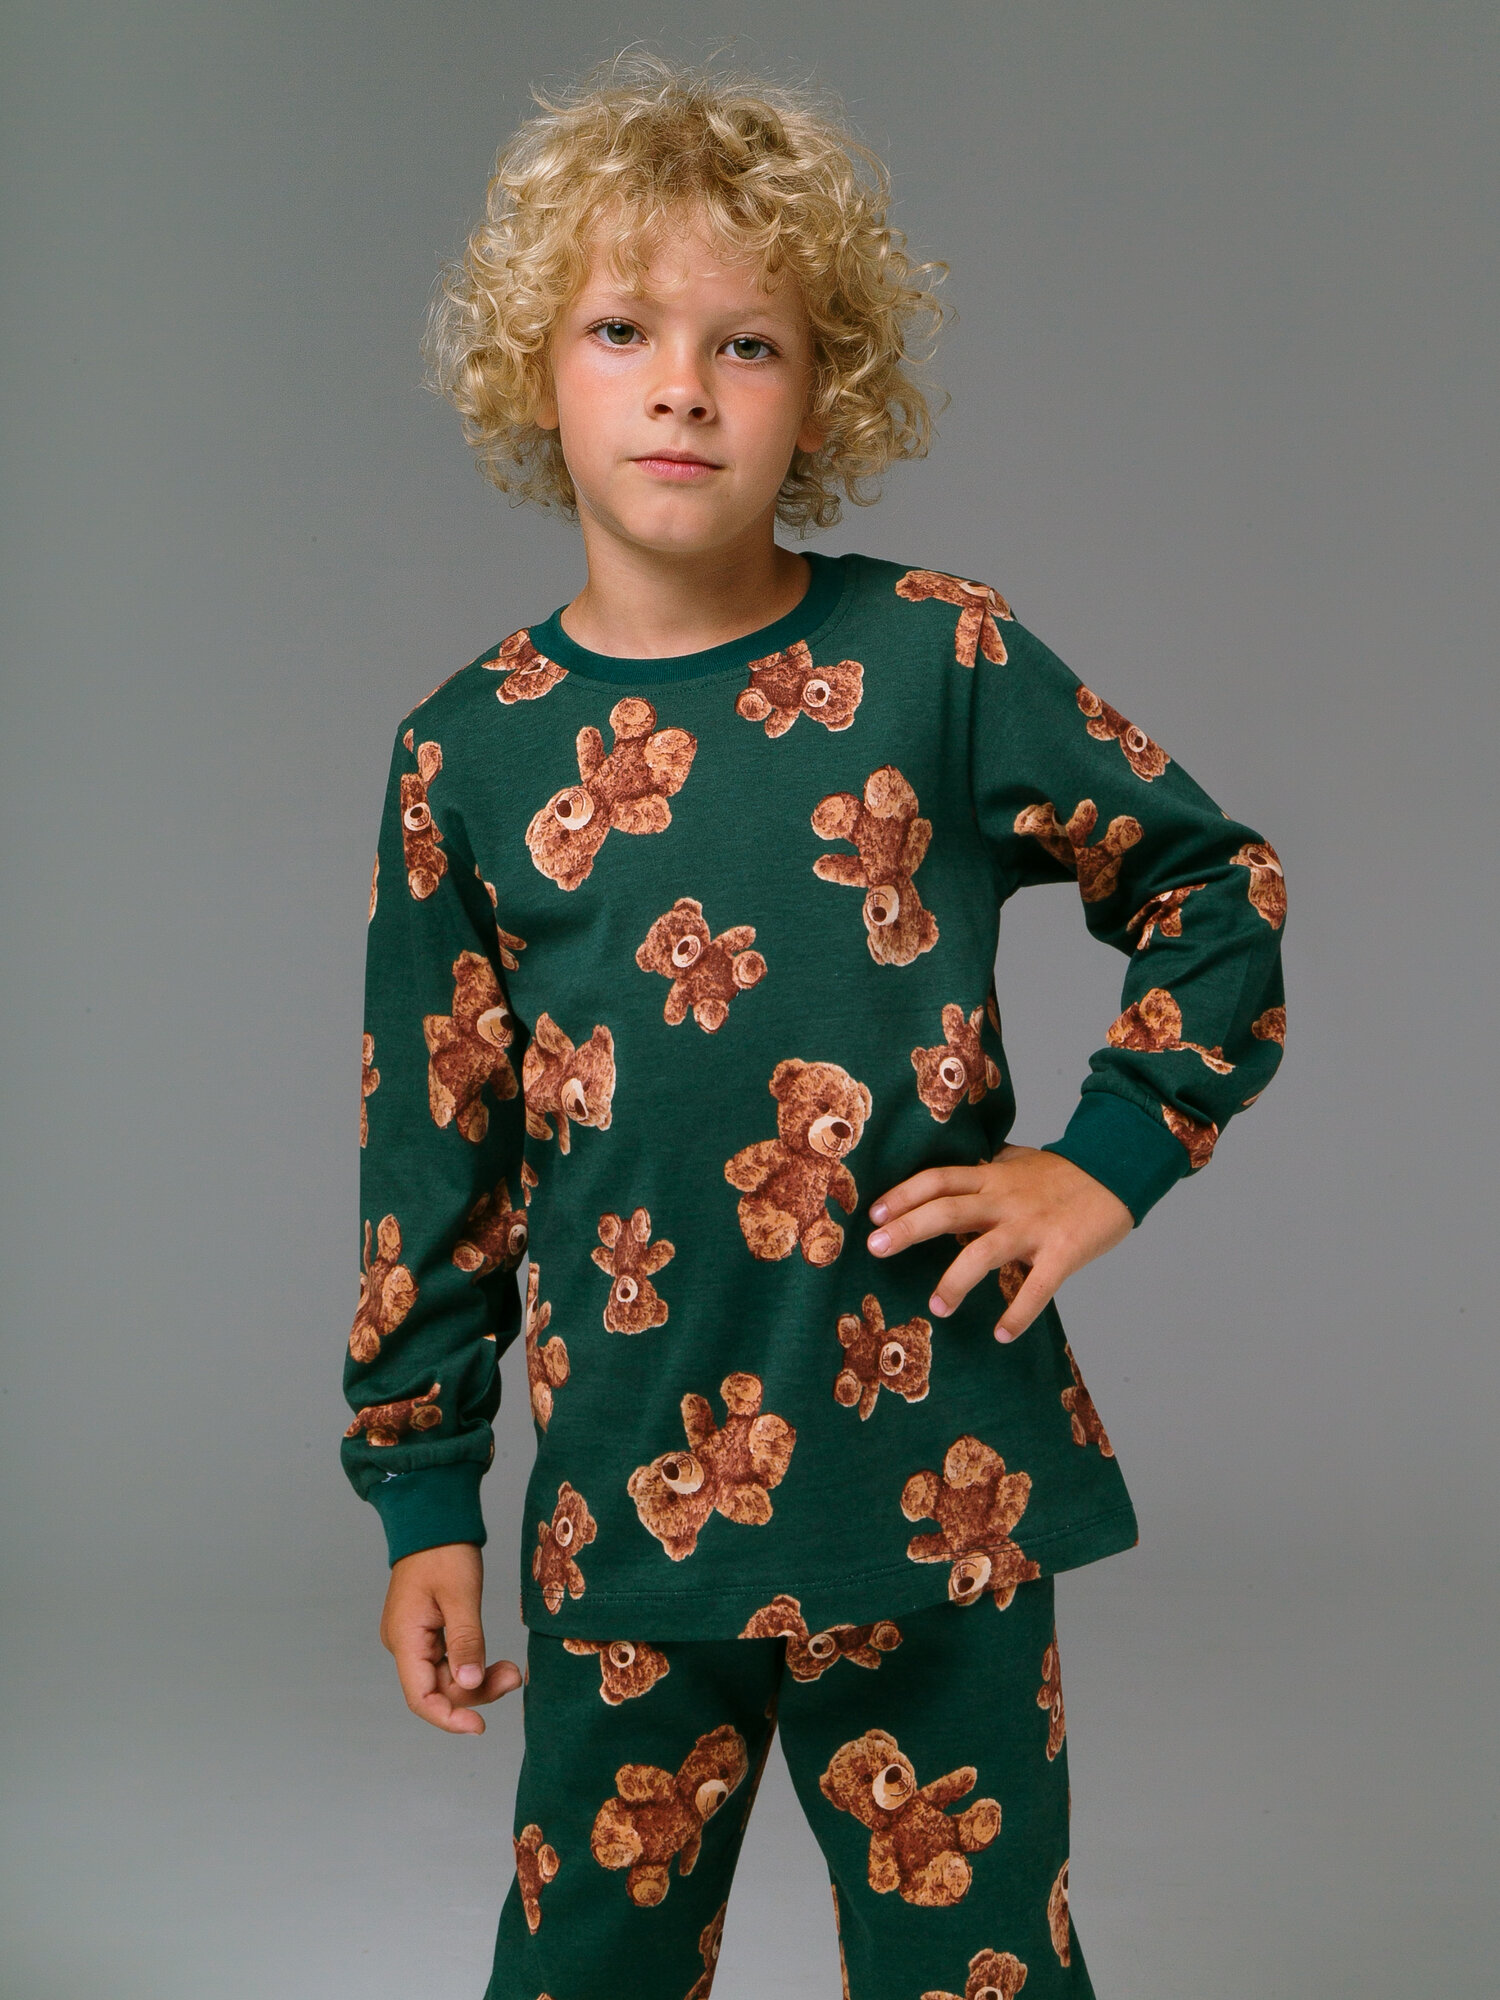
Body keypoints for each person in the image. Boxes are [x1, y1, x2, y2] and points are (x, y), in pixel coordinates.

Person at [341, 49, 1287, 2000]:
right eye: (623, 329)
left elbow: (1218, 892)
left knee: (978, 1971)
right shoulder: (467, 755)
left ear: (824, 390)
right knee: (586, 1970)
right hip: (628, 1516)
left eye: (747, 342)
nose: (682, 385)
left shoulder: (937, 658)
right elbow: (436, 1155)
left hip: (937, 1497)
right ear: (535, 370)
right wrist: (423, 1493)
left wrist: (1107, 1164)